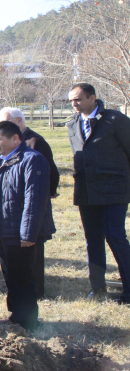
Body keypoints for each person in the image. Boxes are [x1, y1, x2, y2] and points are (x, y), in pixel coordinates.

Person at [0, 121, 55, 331]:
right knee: (11, 275)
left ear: (15, 138)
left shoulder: (32, 160)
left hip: (20, 232)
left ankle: (28, 322)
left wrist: (28, 234)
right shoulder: (4, 161)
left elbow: (34, 200)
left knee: (23, 277)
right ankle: (17, 315)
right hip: (5, 229)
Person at [67, 83, 130, 304]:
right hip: (86, 190)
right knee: (92, 239)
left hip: (114, 189)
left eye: (79, 99)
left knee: (115, 236)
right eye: (72, 100)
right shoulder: (73, 123)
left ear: (93, 98)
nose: (74, 104)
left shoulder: (114, 120)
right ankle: (98, 287)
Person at [0, 107, 60, 298]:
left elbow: (49, 173)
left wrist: (49, 193)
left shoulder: (35, 143)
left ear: (18, 122)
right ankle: (21, 298)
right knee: (16, 265)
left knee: (31, 258)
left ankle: (35, 294)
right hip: (10, 213)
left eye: (5, 124)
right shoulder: (6, 147)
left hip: (28, 211)